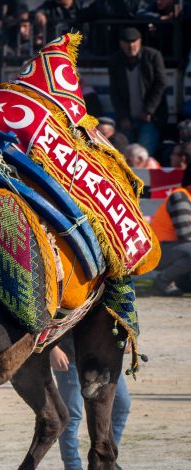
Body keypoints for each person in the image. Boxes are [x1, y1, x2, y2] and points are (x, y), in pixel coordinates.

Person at [49, 338, 135, 470]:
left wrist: (127, 337)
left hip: (104, 356)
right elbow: (46, 315)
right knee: (71, 416)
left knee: (121, 405)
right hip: (70, 356)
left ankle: (107, 462)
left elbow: (121, 313)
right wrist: (52, 348)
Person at [108, 27, 167, 155]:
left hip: (149, 118)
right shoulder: (115, 61)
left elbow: (161, 83)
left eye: (134, 41)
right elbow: (114, 92)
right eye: (127, 42)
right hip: (127, 119)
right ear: (121, 43)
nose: (131, 46)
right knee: (124, 156)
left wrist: (148, 110)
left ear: (140, 41)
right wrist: (123, 116)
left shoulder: (152, 56)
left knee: (142, 155)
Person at [148, 160, 191, 295]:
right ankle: (162, 281)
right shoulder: (180, 196)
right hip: (160, 249)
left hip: (172, 248)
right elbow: (185, 234)